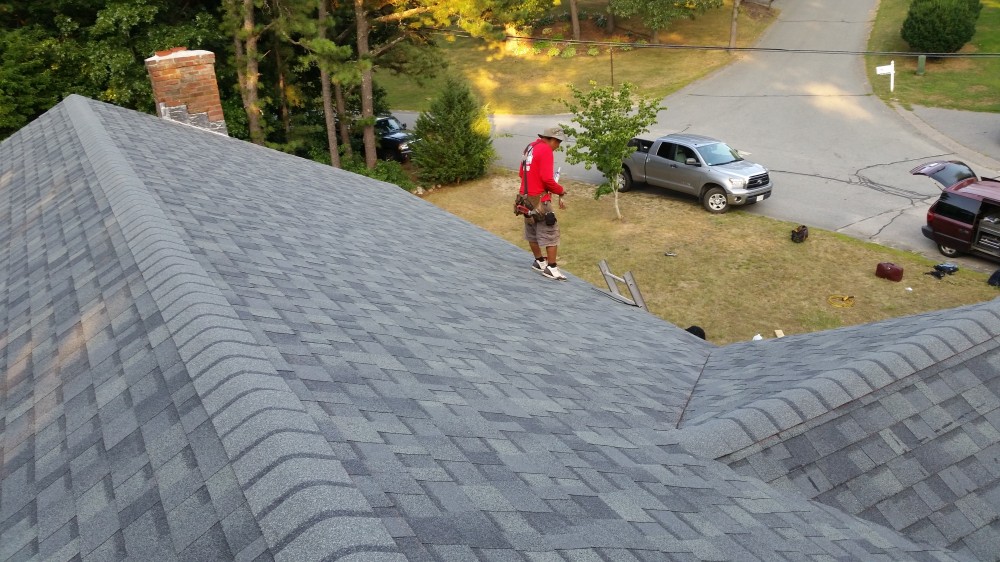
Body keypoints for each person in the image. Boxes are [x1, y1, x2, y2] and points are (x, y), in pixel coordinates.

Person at [519, 126, 568, 280]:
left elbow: (521, 173)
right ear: (552, 139)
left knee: (532, 230)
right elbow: (547, 179)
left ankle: (539, 261)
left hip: (524, 198)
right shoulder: (546, 150)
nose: (558, 146)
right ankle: (551, 268)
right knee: (551, 232)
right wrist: (560, 190)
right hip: (540, 200)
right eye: (558, 142)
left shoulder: (530, 147)